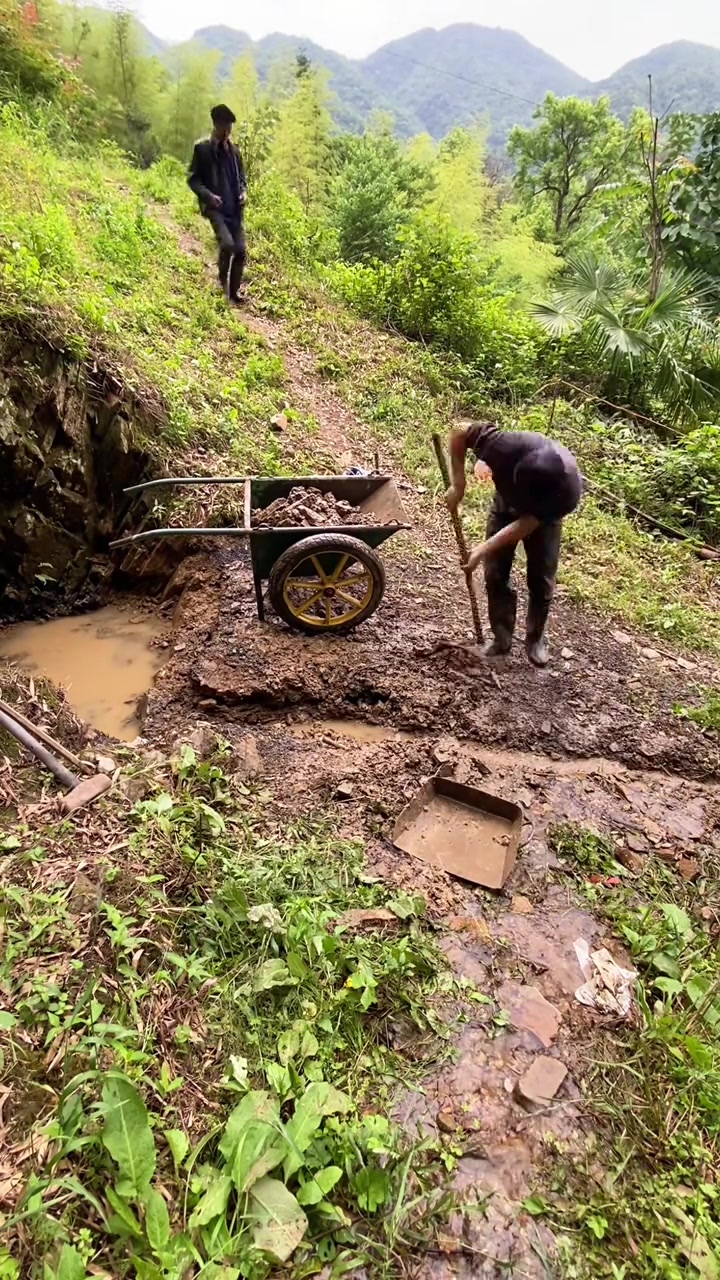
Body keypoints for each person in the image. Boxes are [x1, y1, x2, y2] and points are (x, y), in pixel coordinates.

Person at [445, 420, 582, 667]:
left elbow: (527, 524)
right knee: (495, 572)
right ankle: (501, 638)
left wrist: (481, 549)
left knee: (541, 578)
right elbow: (459, 431)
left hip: (541, 519)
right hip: (505, 505)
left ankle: (536, 639)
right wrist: (458, 484)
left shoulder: (566, 490)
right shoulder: (504, 445)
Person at [188, 104, 247, 303]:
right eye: (224, 128)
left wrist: (243, 193)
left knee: (240, 250)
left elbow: (242, 179)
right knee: (228, 244)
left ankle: (234, 291)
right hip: (216, 209)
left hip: (235, 209)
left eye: (229, 129)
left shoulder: (235, 151)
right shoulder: (202, 149)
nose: (227, 133)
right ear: (216, 125)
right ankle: (222, 281)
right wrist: (208, 196)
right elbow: (193, 180)